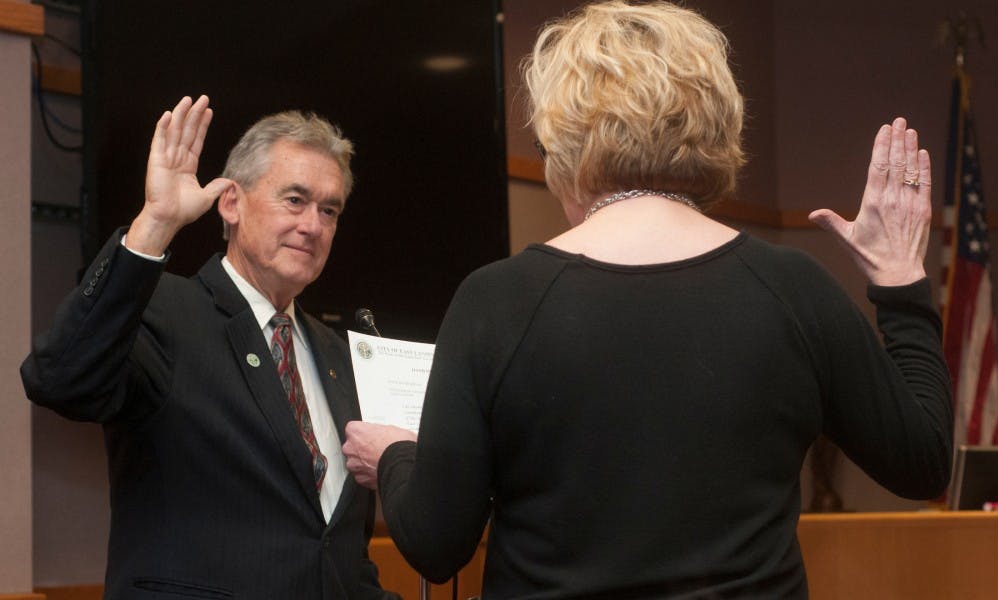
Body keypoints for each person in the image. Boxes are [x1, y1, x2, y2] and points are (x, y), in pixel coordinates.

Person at [341, 2, 952, 598]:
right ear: (717, 124)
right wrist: (899, 277)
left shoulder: (495, 301)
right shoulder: (794, 287)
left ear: (567, 138)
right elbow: (923, 462)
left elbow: (438, 543)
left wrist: (396, 456)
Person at [22, 95, 399, 600]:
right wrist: (155, 222)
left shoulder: (336, 355)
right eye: (294, 199)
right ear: (231, 204)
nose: (312, 225)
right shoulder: (162, 310)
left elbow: (335, 548)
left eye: (328, 209)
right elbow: (59, 379)